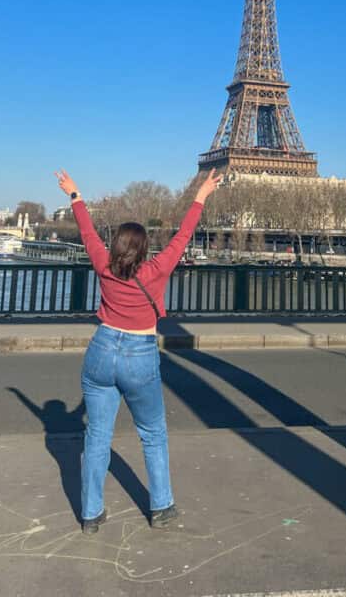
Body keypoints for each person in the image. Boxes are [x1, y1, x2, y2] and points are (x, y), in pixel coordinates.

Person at [55, 167, 223, 534]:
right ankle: (160, 507)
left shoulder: (103, 264)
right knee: (152, 432)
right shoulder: (157, 270)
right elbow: (182, 236)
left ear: (116, 246)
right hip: (139, 354)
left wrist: (75, 195)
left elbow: (86, 232)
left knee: (97, 436)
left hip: (101, 349)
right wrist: (201, 195)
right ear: (145, 248)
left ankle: (91, 514)